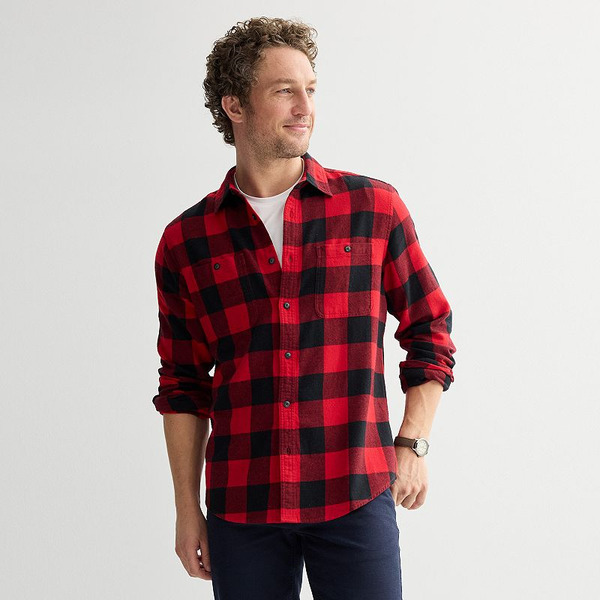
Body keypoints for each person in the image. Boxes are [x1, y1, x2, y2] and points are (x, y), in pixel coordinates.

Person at [151, 16, 456, 600]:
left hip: (355, 492)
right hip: (243, 505)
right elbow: (183, 383)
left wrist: (413, 442)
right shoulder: (187, 240)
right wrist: (187, 510)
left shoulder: (372, 208)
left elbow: (430, 326)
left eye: (311, 89)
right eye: (284, 90)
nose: (305, 107)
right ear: (234, 105)